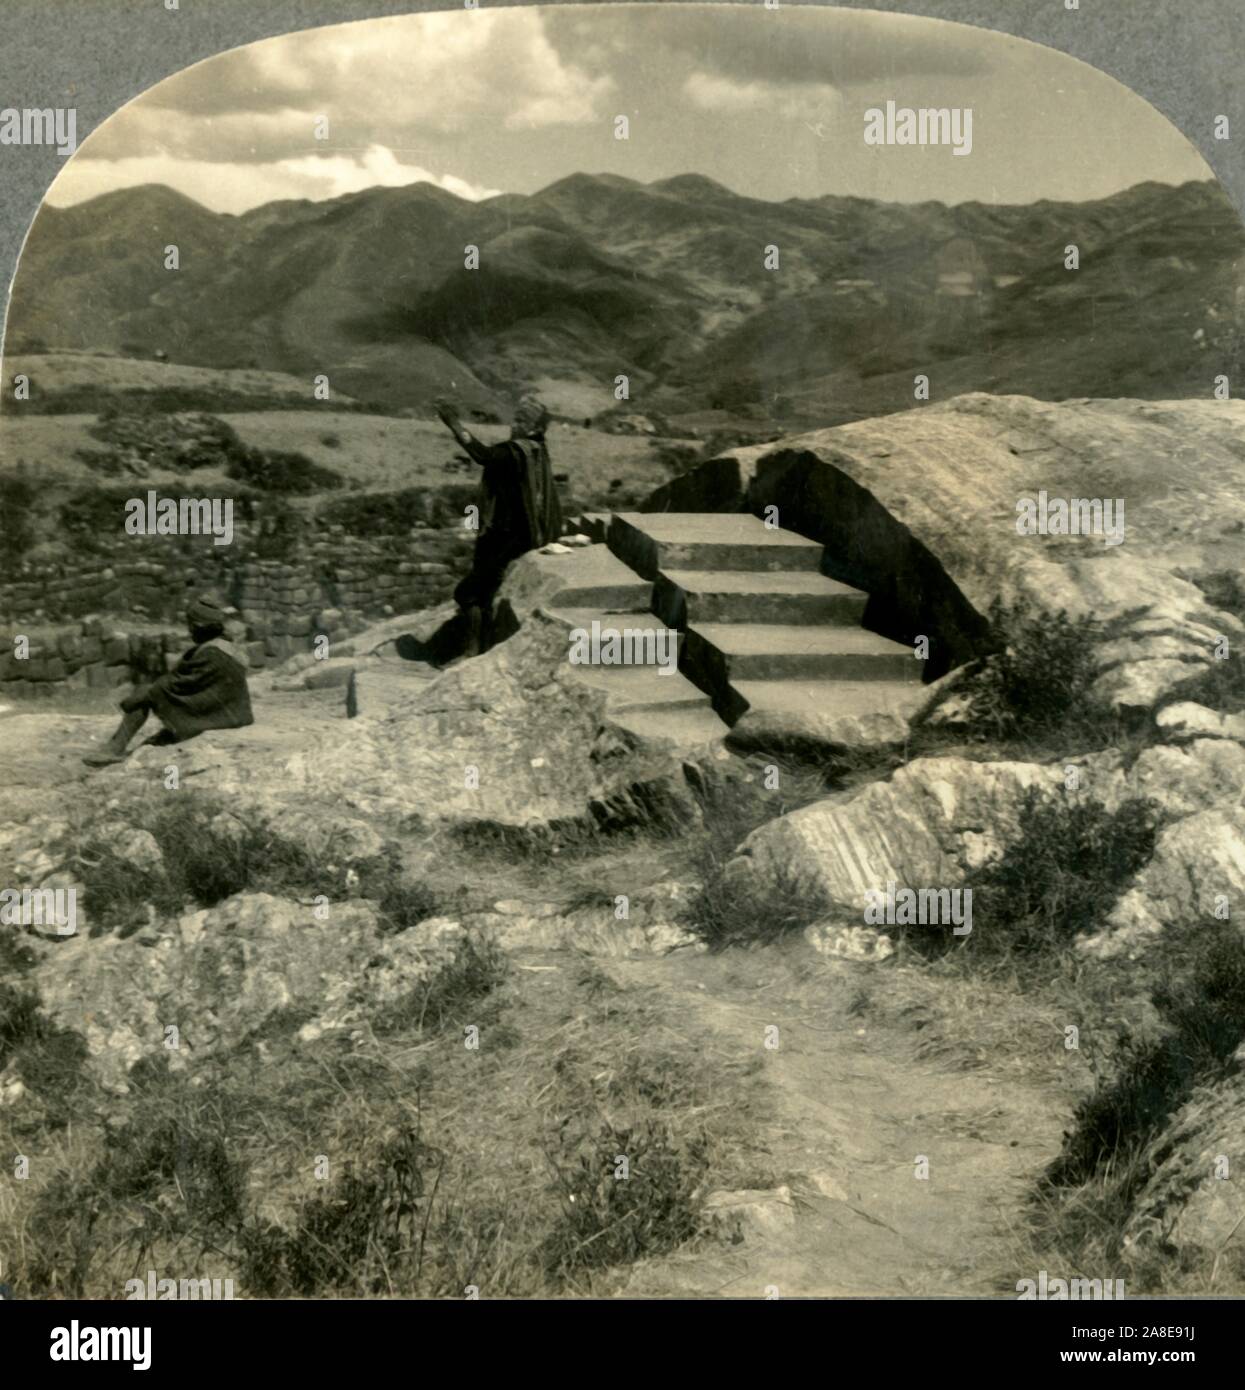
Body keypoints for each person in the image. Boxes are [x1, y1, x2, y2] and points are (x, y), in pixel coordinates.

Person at [426, 392, 563, 659]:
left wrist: (454, 424)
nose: (515, 425)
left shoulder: (515, 452)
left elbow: (482, 455)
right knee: (484, 592)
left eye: (522, 421)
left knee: (469, 592)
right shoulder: (536, 449)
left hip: (506, 537)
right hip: (524, 534)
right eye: (516, 419)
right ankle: (479, 645)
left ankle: (474, 649)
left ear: (534, 427)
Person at [83, 594, 253, 766]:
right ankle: (138, 747)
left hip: (219, 715)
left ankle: (115, 747)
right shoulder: (222, 646)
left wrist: (146, 693)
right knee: (151, 741)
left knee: (145, 693)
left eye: (191, 626)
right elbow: (189, 681)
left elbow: (184, 684)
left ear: (200, 627)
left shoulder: (213, 652)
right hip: (226, 712)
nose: (190, 631)